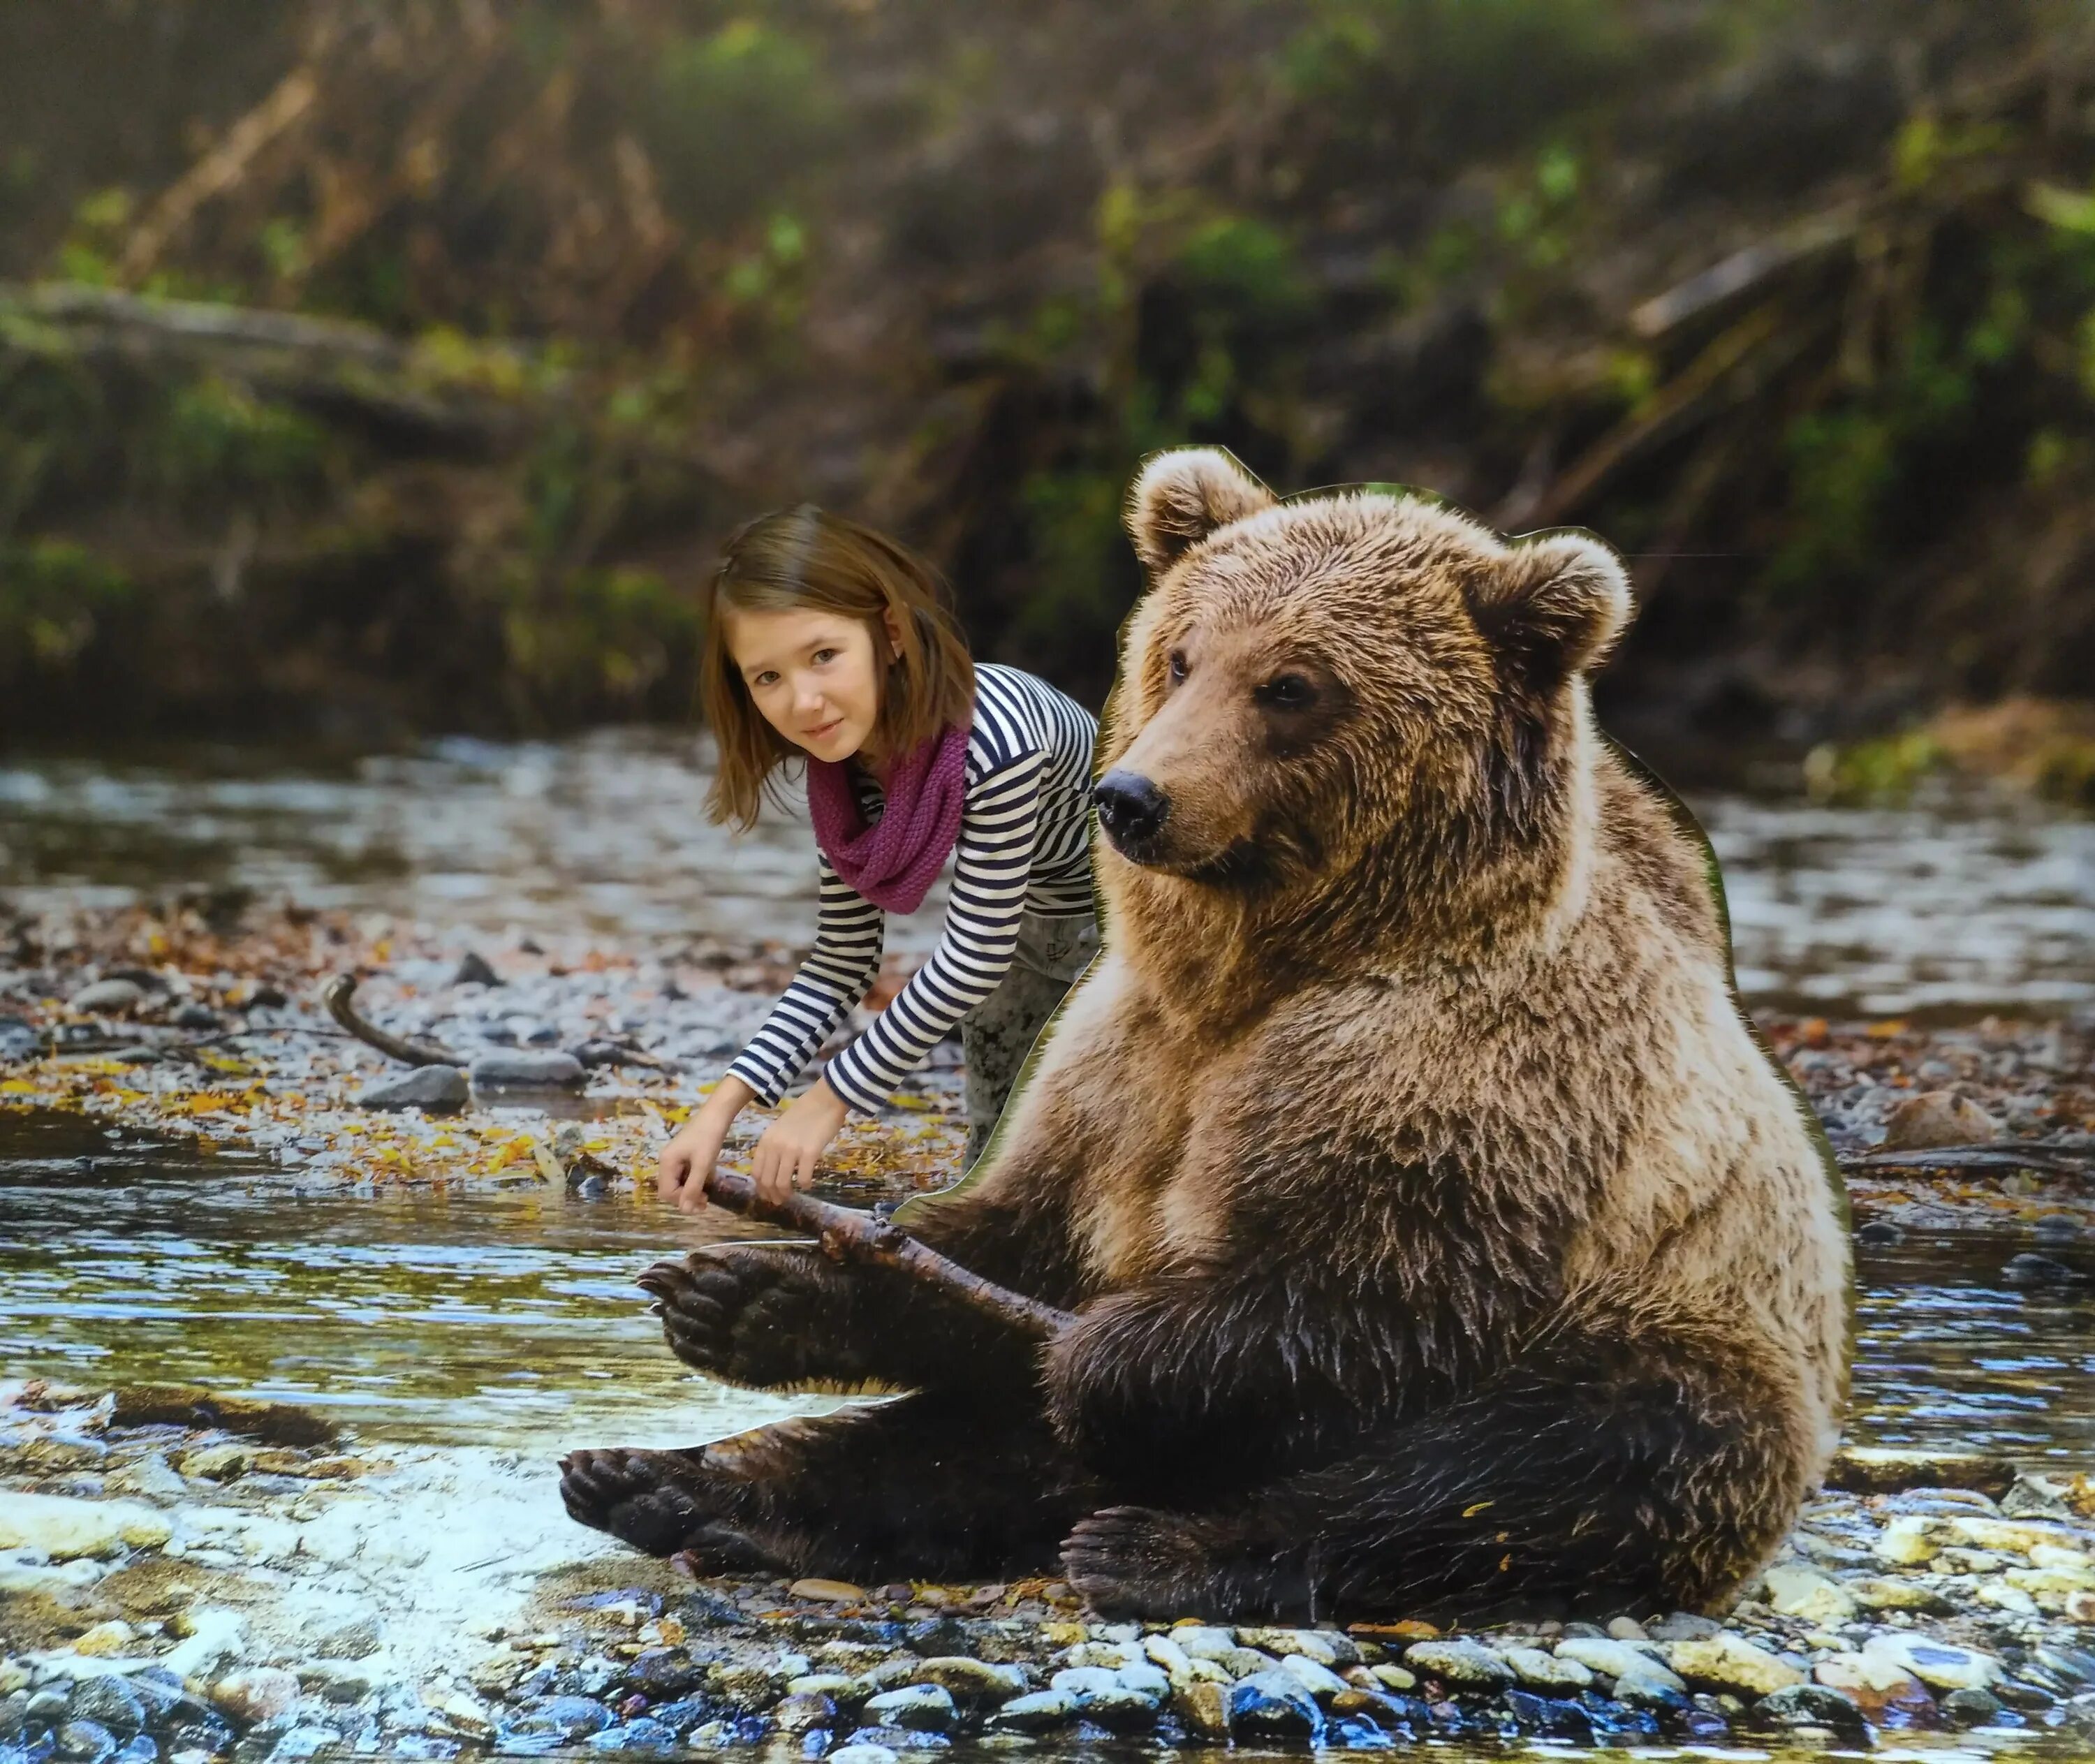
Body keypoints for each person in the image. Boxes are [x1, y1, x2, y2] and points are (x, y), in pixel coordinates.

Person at [656, 504, 1099, 1211]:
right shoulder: (844, 770)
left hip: (1139, 947)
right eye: (766, 678)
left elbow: (976, 954)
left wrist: (827, 1100)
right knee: (996, 1188)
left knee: (1110, 1174)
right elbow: (843, 960)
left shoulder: (998, 737)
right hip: (1029, 946)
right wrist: (718, 1112)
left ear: (889, 634)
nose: (803, 701)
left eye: (824, 656)